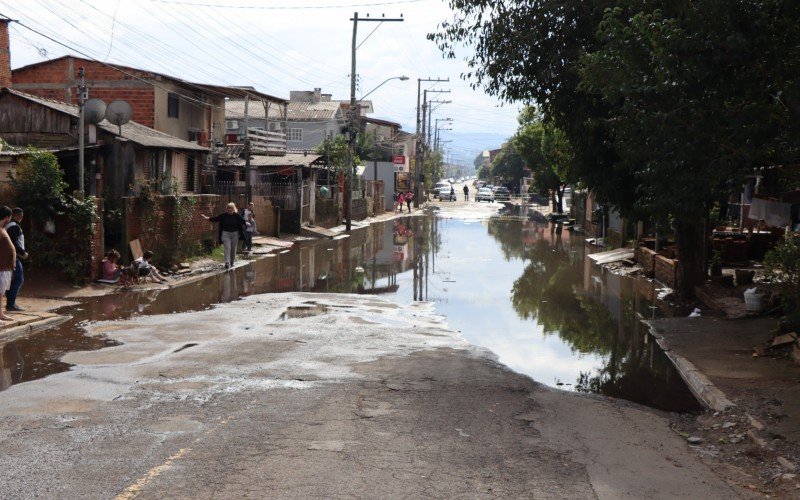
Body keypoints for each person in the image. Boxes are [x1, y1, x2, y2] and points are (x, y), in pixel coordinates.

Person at [202, 202, 247, 269]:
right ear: (227, 209)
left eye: (231, 209)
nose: (230, 210)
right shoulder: (223, 216)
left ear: (234, 209)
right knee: (227, 247)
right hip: (225, 234)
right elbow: (216, 218)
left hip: (235, 234)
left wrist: (247, 223)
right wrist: (208, 218)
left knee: (233, 249)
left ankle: (232, 261)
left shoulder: (236, 216)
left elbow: (243, 221)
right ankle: (227, 263)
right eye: (228, 208)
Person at [5, 207, 27, 311]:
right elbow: (13, 243)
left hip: (11, 255)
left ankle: (10, 303)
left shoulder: (10, 225)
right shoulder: (13, 226)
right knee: (19, 278)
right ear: (20, 215)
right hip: (14, 256)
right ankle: (11, 304)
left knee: (12, 279)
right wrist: (22, 253)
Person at [0, 206, 16, 320]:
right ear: (7, 218)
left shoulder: (2, 228)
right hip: (1, 268)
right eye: (10, 218)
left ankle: (0, 314)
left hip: (5, 268)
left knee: (1, 293)